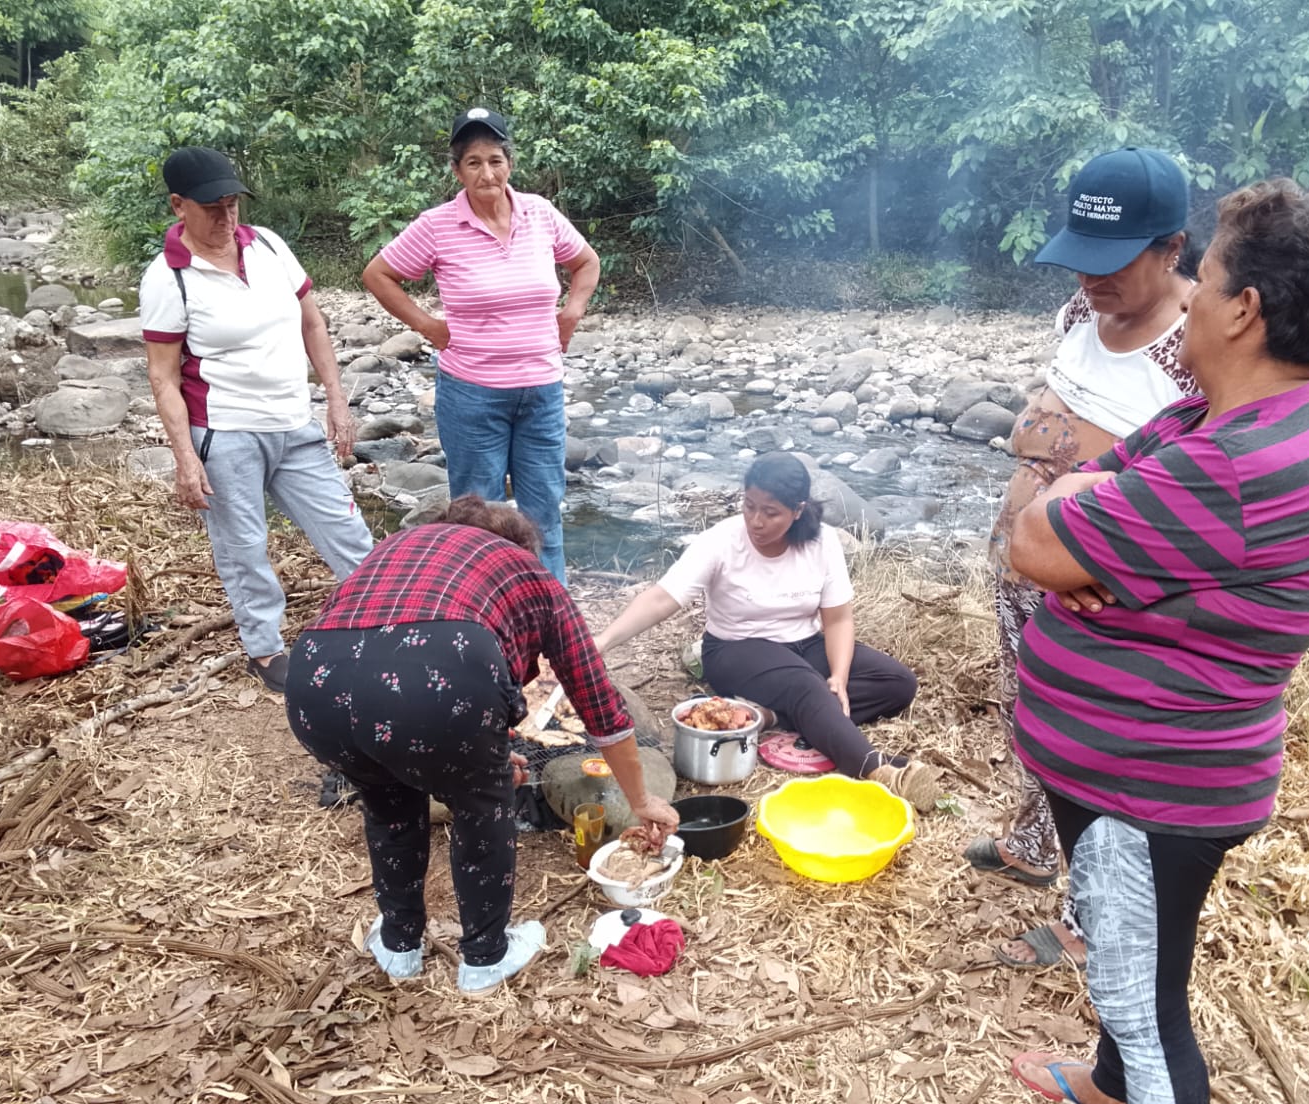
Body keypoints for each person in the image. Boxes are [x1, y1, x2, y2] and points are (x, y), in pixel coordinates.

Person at [1005, 180, 1309, 1104]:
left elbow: (1034, 536)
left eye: (1204, 279)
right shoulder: (1251, 417)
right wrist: (1084, 517)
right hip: (1153, 769)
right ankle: (1109, 1083)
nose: (1191, 297)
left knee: (1146, 1005)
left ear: (1244, 310)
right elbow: (1091, 485)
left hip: (1148, 787)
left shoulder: (1233, 466)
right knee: (1134, 961)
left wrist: (1071, 527)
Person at [286, 496, 679, 996]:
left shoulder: (396, 547)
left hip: (314, 686)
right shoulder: (526, 569)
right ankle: (484, 957)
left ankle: (398, 946)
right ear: (518, 544)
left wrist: (478, 750)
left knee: (387, 803)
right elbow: (598, 701)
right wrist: (640, 800)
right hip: (439, 679)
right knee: (482, 803)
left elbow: (370, 645)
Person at [965, 147, 1199, 972]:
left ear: (1172, 249)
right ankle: (1034, 842)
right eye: (1081, 257)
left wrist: (1121, 571)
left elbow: (1197, 486)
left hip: (1100, 588)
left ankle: (1087, 919)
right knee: (1024, 708)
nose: (1091, 278)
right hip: (1023, 561)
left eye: (1114, 262)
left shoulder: (1197, 345)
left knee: (1095, 746)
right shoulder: (1077, 311)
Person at [141, 146, 374, 692]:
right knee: (244, 548)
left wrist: (336, 399)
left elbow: (312, 324)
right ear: (178, 206)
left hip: (294, 423)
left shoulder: (268, 245)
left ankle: (387, 617)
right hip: (225, 434)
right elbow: (163, 376)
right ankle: (265, 649)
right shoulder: (168, 278)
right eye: (212, 208)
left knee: (348, 532)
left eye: (232, 204)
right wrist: (185, 458)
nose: (226, 218)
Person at [594, 453, 941, 807]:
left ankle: (772, 716)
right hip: (736, 651)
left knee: (897, 683)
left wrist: (838, 676)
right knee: (806, 685)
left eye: (770, 512)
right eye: (749, 506)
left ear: (798, 510)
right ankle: (877, 769)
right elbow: (661, 599)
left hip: (804, 645)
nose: (755, 521)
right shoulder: (722, 540)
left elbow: (838, 619)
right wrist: (603, 641)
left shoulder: (822, 541)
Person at [361, 108, 600, 584]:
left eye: (495, 160)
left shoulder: (540, 213)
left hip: (542, 392)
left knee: (544, 516)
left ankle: (550, 607)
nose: (486, 173)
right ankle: (482, 611)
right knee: (476, 520)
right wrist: (427, 325)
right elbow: (378, 274)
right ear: (457, 170)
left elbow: (586, 262)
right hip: (473, 394)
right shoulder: (437, 225)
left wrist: (572, 311)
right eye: (473, 162)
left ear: (509, 163)